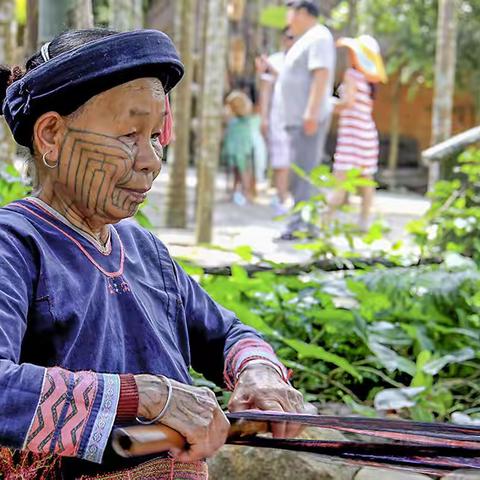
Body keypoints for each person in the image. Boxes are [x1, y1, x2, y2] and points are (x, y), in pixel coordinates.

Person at [0, 29, 305, 479]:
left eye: (155, 136)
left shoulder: (143, 249)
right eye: (128, 134)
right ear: (51, 136)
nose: (151, 160)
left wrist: (259, 372)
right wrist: (147, 396)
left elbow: (225, 333)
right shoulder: (15, 242)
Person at [279, 0, 336, 239]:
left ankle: (300, 227)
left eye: (290, 13)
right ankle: (306, 225)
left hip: (307, 120)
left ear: (302, 13)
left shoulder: (319, 37)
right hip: (297, 121)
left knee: (303, 174)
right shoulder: (307, 39)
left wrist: (311, 113)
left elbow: (321, 74)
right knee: (301, 173)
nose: (288, 19)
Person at [327, 35, 387, 231]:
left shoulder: (352, 75)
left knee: (340, 180)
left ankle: (324, 221)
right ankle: (364, 221)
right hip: (367, 135)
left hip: (352, 137)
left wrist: (325, 105)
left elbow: (347, 103)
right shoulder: (371, 82)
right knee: (366, 180)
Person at [257, 28, 296, 216]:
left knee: (297, 161)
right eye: (289, 37)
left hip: (299, 119)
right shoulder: (275, 60)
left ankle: (294, 198)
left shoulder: (302, 61)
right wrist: (264, 117)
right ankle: (282, 198)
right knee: (281, 162)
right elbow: (265, 91)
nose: (292, 41)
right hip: (278, 119)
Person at [222, 90, 257, 205]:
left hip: (241, 150)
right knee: (239, 173)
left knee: (243, 172)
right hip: (238, 150)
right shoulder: (236, 119)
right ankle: (236, 192)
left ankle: (246, 193)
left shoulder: (242, 119)